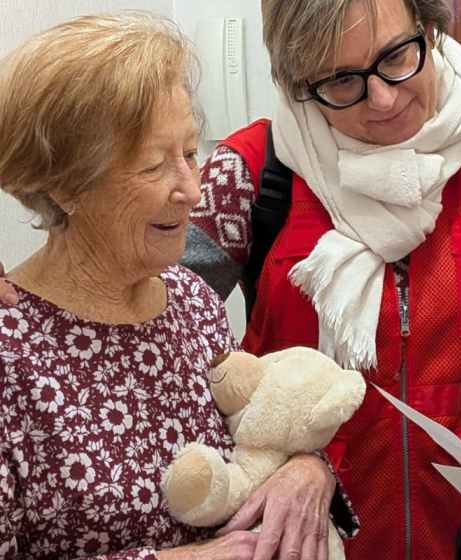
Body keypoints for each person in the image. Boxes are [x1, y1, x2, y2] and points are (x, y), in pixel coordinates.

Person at [181, 0, 461, 558]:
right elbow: (164, 351)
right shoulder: (252, 172)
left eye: (395, 57)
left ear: (429, 30)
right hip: (313, 534)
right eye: (342, 82)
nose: (383, 98)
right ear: (298, 85)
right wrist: (278, 456)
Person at [0, 13, 354, 559]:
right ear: (64, 184)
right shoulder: (12, 350)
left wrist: (306, 470)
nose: (192, 189)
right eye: (152, 166)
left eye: (189, 152)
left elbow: (254, 434)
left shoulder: (192, 300)